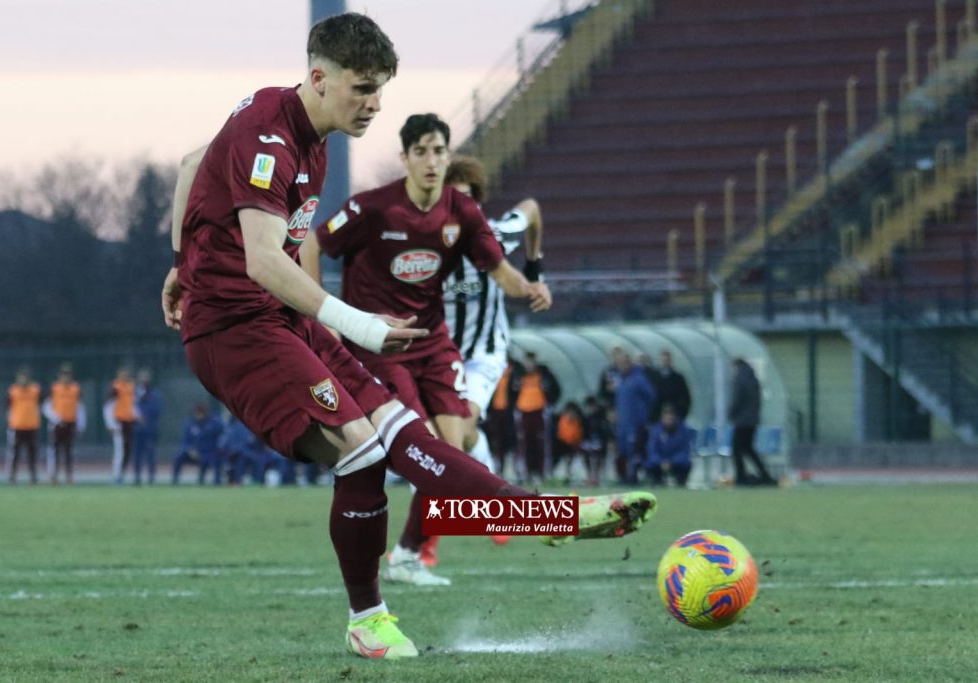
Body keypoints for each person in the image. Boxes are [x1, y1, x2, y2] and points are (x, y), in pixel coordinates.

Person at [161, 13, 654, 660]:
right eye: (362, 89)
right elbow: (264, 259)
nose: (374, 104)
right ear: (319, 76)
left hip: (287, 318)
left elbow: (195, 161)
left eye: (380, 90)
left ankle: (547, 516)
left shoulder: (301, 128)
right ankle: (368, 617)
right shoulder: (273, 141)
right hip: (236, 327)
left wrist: (178, 258)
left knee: (405, 434)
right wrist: (358, 322)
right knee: (361, 449)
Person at [305, 113, 552, 585]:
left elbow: (503, 272)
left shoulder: (464, 214)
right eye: (422, 151)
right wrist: (327, 316)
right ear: (406, 158)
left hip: (438, 345)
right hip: (382, 346)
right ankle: (502, 516)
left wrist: (532, 286)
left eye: (440, 151)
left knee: (453, 449)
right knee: (431, 450)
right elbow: (313, 245)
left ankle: (413, 550)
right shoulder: (373, 209)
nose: (432, 161)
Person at [441, 155, 546, 474]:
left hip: (482, 356)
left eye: (468, 199)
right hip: (437, 360)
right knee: (459, 435)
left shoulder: (496, 236)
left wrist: (535, 271)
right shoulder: (420, 250)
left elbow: (531, 209)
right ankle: (487, 482)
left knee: (453, 431)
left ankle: (447, 511)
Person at [510, 351, 562, 487]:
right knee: (524, 445)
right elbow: (510, 392)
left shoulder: (544, 374)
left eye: (531, 361)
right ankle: (526, 473)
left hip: (540, 412)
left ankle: (543, 473)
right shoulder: (518, 374)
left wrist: (549, 403)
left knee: (542, 444)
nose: (529, 365)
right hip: (523, 413)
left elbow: (556, 389)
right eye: (527, 361)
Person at [729, 358, 777, 487]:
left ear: (736, 366)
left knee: (737, 450)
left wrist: (731, 413)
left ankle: (741, 477)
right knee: (749, 449)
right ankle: (764, 475)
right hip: (752, 421)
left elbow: (737, 400)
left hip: (741, 421)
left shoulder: (740, 380)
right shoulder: (754, 380)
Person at [613, 352, 656, 484]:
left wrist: (643, 414)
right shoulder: (620, 379)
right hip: (622, 424)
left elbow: (651, 396)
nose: (623, 366)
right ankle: (624, 477)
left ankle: (635, 478)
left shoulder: (638, 378)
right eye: (620, 363)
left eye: (625, 363)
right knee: (622, 451)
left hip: (635, 423)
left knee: (635, 451)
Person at [43, 363, 84, 485]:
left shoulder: (75, 388)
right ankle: (53, 476)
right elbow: (46, 407)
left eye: (68, 375)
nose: (66, 377)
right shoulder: (54, 388)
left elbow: (80, 407)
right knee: (54, 451)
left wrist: (81, 424)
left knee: (69, 451)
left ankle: (69, 476)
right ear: (59, 376)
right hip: (56, 425)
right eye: (63, 375)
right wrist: (56, 419)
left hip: (71, 423)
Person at [171, 403, 225, 485]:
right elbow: (185, 440)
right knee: (179, 456)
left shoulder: (214, 423)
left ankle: (216, 482)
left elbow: (223, 435)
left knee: (215, 459)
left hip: (209, 452)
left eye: (200, 413)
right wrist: (190, 450)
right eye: (197, 413)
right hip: (194, 453)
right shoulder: (190, 423)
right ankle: (175, 480)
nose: (198, 415)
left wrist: (217, 448)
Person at [643, 403, 695, 487]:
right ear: (662, 418)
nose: (669, 421)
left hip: (675, 463)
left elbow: (684, 452)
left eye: (671, 418)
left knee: (686, 464)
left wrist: (671, 462)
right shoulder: (655, 431)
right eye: (666, 417)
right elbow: (652, 451)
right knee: (649, 464)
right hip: (659, 463)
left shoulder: (683, 431)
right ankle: (657, 482)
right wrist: (661, 462)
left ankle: (681, 483)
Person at [6, 368, 41, 484]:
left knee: (32, 453)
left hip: (32, 426)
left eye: (25, 377)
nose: (23, 380)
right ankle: (12, 475)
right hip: (17, 426)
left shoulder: (35, 390)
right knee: (15, 453)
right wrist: (10, 423)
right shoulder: (13, 391)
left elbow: (40, 405)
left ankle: (33, 475)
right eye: (21, 377)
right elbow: (8, 408)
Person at [105, 366, 137, 484]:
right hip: (118, 422)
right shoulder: (115, 387)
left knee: (127, 450)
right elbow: (108, 407)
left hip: (129, 421)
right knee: (120, 450)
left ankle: (122, 474)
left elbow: (131, 404)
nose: (125, 376)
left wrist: (136, 415)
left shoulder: (130, 386)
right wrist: (111, 423)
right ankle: (116, 475)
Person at [132, 368, 163, 485]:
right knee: (137, 454)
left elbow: (157, 410)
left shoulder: (154, 394)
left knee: (150, 453)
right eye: (141, 378)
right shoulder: (133, 394)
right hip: (137, 429)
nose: (144, 380)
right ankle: (137, 476)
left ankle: (151, 476)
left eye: (146, 378)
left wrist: (146, 418)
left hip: (150, 429)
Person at [653, 349, 692, 423]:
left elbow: (686, 397)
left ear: (670, 360)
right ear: (660, 360)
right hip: (658, 416)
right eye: (663, 359)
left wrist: (682, 413)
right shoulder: (655, 377)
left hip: (675, 415)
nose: (665, 362)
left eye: (667, 359)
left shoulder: (678, 377)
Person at [581, 395, 612, 486]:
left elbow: (606, 433)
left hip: (600, 443)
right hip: (589, 442)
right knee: (586, 453)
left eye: (592, 406)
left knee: (597, 454)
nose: (590, 409)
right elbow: (583, 433)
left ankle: (596, 476)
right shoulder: (586, 419)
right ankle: (589, 474)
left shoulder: (601, 418)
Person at [553, 401, 585, 485]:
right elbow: (559, 435)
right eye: (569, 412)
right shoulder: (560, 421)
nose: (571, 414)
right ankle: (557, 475)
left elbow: (579, 436)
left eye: (573, 412)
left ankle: (575, 477)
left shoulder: (579, 422)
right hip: (561, 445)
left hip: (574, 445)